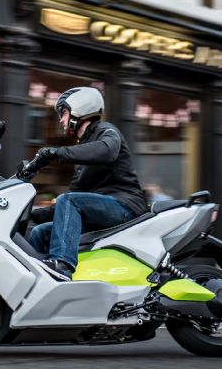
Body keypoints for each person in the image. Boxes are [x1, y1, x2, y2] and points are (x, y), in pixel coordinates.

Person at [27, 87, 148, 281]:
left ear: (80, 108)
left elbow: (107, 151)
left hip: (125, 205)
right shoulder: (82, 156)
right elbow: (67, 206)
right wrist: (31, 214)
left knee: (70, 201)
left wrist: (56, 153)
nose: (61, 120)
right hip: (101, 210)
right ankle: (37, 279)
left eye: (64, 113)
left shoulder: (106, 131)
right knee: (41, 232)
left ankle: (62, 264)